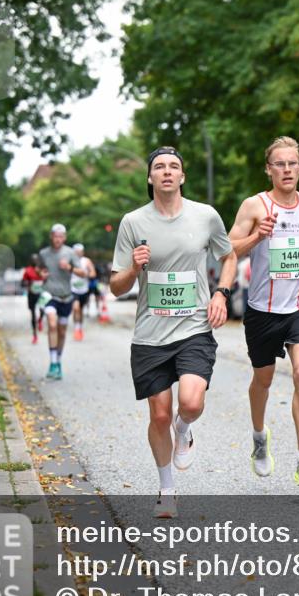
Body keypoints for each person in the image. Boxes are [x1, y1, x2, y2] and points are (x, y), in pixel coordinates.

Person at [109, 146, 236, 519]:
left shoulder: (205, 216)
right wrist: (133, 269)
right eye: (159, 167)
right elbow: (116, 286)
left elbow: (228, 256)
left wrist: (221, 293)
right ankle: (167, 491)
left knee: (191, 404)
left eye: (174, 166)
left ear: (182, 176)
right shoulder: (133, 222)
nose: (167, 171)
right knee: (159, 415)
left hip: (194, 328)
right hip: (150, 335)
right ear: (150, 178)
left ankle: (185, 429)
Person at [228, 136, 299, 487]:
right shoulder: (254, 206)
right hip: (262, 310)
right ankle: (259, 436)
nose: (287, 169)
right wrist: (257, 237)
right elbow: (227, 249)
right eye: (279, 164)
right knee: (263, 380)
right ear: (268, 169)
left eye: (292, 163)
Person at [40, 224, 87, 379]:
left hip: (66, 297)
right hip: (49, 295)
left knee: (61, 331)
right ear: (51, 236)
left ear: (64, 238)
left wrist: (69, 267)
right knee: (52, 324)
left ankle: (58, 361)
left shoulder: (70, 253)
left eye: (60, 237)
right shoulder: (44, 253)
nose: (58, 239)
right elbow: (39, 270)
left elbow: (83, 273)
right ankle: (53, 363)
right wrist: (41, 274)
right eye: (55, 236)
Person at [70, 243, 97, 340]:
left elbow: (93, 273)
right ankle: (76, 328)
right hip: (72, 289)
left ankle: (80, 327)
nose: (78, 253)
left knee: (80, 310)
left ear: (82, 252)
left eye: (80, 251)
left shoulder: (86, 261)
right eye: (76, 252)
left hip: (84, 290)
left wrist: (86, 274)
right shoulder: (70, 261)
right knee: (75, 308)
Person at [21, 254, 47, 344]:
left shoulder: (42, 269)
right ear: (31, 261)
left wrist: (44, 280)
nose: (35, 261)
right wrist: (28, 283)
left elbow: (47, 280)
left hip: (41, 293)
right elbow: (22, 283)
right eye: (33, 260)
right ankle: (35, 335)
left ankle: (40, 320)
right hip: (32, 294)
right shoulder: (27, 270)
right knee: (32, 314)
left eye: (36, 260)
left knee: (43, 310)